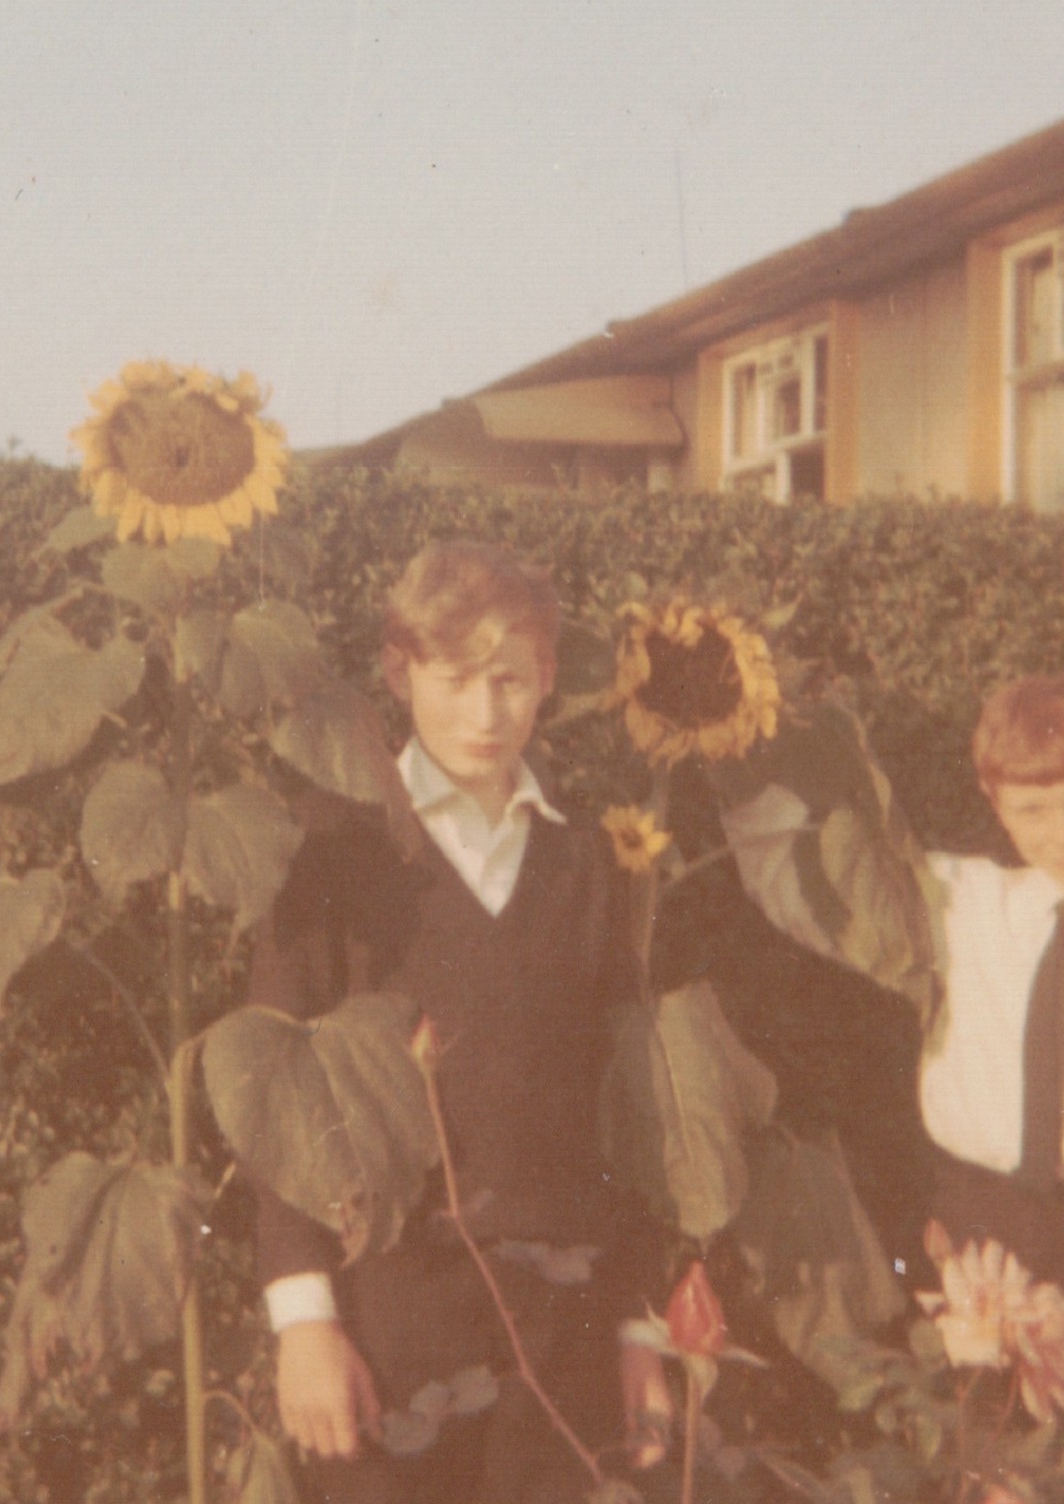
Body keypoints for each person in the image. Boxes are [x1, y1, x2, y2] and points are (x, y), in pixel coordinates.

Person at [247, 541, 671, 1502]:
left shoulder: (585, 864)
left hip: (556, 1336)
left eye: (512, 681)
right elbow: (277, 1101)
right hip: (386, 1326)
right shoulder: (330, 847)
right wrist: (305, 1322)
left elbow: (629, 1122)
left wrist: (638, 1330)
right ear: (400, 672)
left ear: (549, 679)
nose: (486, 714)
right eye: (456, 679)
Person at [734, 675, 1064, 1455]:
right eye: (1033, 810)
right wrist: (742, 755)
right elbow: (807, 892)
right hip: (975, 1236)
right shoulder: (960, 902)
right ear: (995, 804)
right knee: (965, 1462)